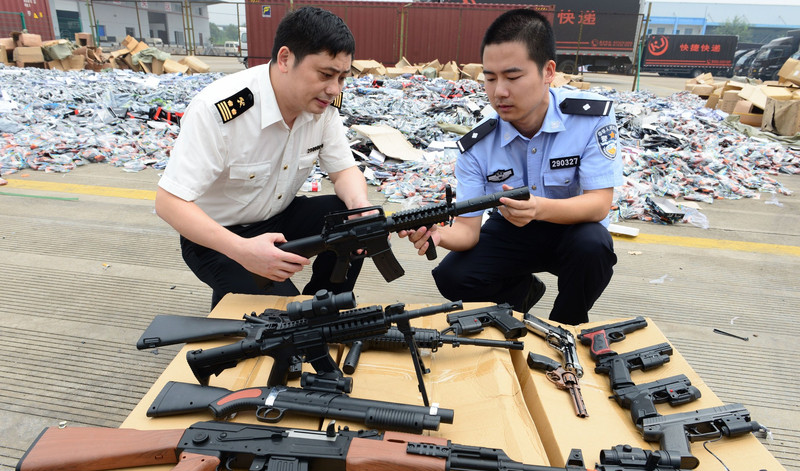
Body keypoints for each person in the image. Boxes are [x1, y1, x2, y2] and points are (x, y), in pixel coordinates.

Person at [401, 9, 622, 325]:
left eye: (513, 77)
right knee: (452, 276)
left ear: (548, 72)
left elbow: (599, 204)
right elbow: (467, 230)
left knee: (594, 248)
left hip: (571, 227)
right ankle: (520, 297)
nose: (499, 91)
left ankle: (566, 324)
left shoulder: (590, 119)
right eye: (490, 78)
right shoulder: (478, 143)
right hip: (513, 231)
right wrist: (438, 235)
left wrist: (538, 209)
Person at [155, 7, 371, 308]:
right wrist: (243, 251)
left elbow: (344, 170)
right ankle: (240, 299)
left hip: (279, 219)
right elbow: (168, 202)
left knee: (353, 222)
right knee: (281, 321)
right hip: (218, 237)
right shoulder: (219, 110)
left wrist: (360, 207)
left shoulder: (321, 106)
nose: (334, 89)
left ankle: (325, 308)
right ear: (285, 59)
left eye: (342, 78)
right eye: (325, 75)